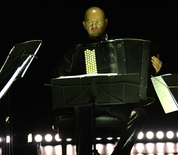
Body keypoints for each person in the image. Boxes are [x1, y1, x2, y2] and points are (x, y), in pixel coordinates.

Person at [52, 6, 162, 155]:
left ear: (105, 23)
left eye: (97, 21)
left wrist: (153, 71)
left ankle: (119, 153)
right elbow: (58, 76)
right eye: (90, 22)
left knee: (140, 114)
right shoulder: (77, 49)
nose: (94, 26)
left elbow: (138, 79)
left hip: (116, 103)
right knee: (81, 107)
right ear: (84, 25)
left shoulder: (120, 47)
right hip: (89, 103)